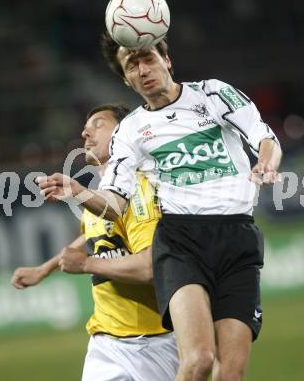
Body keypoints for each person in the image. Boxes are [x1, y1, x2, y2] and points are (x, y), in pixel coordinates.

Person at [37, 35, 282, 381]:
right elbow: (115, 205)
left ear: (166, 59)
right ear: (126, 79)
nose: (143, 69)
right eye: (132, 65)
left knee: (230, 373)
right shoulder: (132, 130)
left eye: (147, 58)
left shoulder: (212, 94)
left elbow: (264, 137)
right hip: (182, 242)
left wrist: (267, 162)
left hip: (237, 238)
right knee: (198, 360)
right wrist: (77, 192)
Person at [12, 104, 178, 381]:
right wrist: (45, 268)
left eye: (98, 124)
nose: (85, 132)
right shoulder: (101, 197)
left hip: (151, 344)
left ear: (125, 133)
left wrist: (88, 264)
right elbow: (93, 235)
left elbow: (150, 267)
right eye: (86, 127)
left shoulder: (139, 190)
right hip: (106, 341)